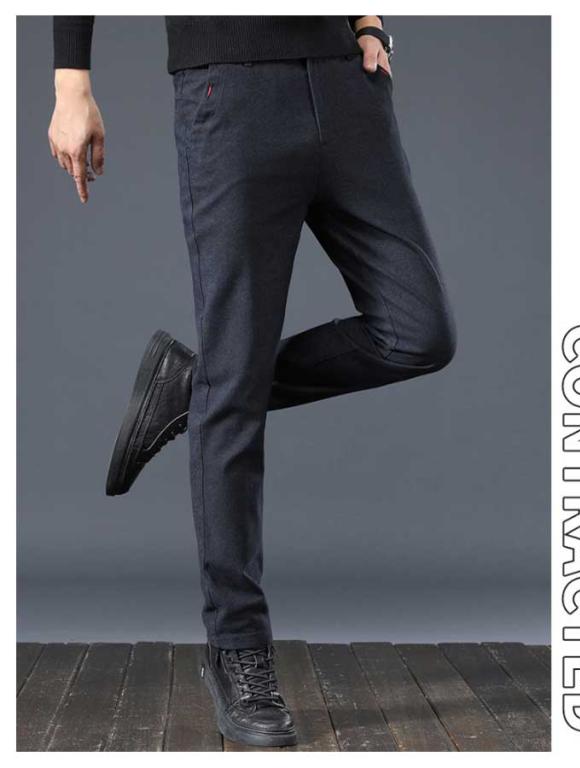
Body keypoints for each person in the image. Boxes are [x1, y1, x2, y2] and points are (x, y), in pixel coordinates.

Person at [49, 15, 456, 748]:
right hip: (228, 89)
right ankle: (237, 648)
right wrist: (71, 85)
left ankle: (195, 385)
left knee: (417, 332)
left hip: (344, 82)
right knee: (233, 383)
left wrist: (369, 23)